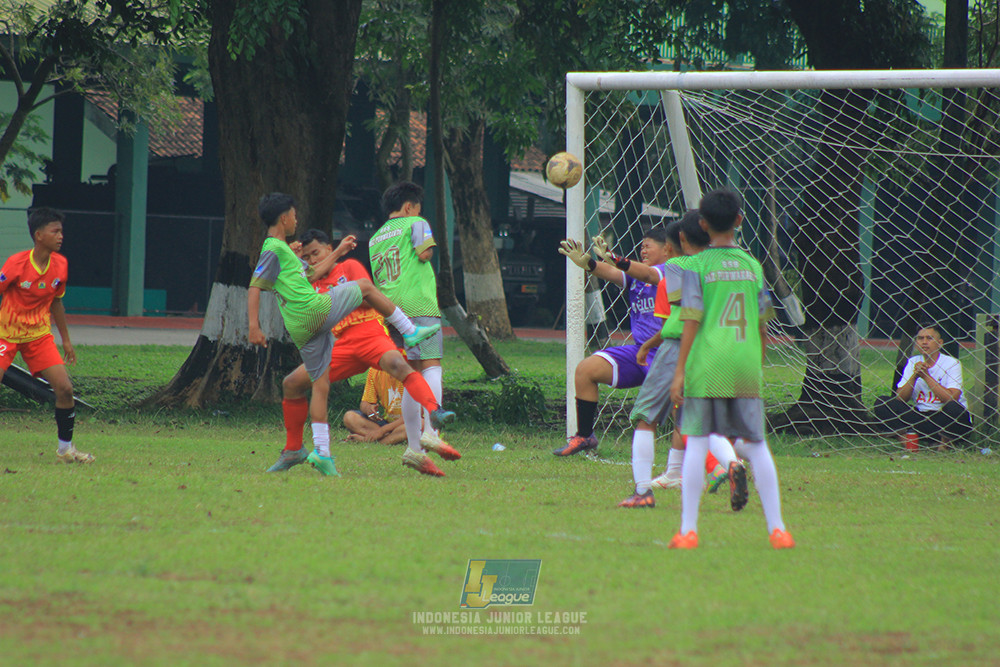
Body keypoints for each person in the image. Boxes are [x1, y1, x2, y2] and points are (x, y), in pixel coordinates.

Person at [248, 193, 448, 477]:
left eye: (316, 253)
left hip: (353, 333)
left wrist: (335, 254)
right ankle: (410, 332)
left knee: (304, 384)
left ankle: (314, 451)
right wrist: (253, 326)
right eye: (293, 214)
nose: (297, 219)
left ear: (327, 250)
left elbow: (310, 274)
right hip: (322, 321)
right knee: (366, 287)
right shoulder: (276, 249)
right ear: (284, 217)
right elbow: (256, 285)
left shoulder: (324, 263)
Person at [668, 188, 795, 550]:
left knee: (696, 444)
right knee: (757, 446)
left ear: (703, 224)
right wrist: (757, 363)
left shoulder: (695, 266)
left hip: (708, 364)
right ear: (740, 220)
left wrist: (679, 372)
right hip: (744, 366)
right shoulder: (753, 266)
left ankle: (688, 531)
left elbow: (690, 319)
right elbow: (762, 325)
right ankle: (778, 530)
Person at [618, 212, 737, 507]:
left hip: (677, 346)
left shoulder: (675, 266)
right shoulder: (724, 266)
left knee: (645, 417)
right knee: (696, 422)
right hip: (712, 347)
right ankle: (733, 466)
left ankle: (643, 492)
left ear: (678, 242)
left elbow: (679, 312)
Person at [555, 226, 671, 456]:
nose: (643, 250)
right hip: (641, 353)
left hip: (671, 354)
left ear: (667, 249)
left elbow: (643, 273)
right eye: (641, 246)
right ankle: (585, 436)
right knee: (586, 370)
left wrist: (618, 260)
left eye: (648, 246)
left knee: (684, 414)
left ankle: (711, 455)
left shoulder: (673, 272)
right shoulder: (637, 276)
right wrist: (588, 264)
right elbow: (611, 273)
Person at [369, 181, 452, 476]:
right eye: (417, 207)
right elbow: (424, 253)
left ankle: (414, 449)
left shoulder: (376, 236)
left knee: (410, 374)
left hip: (390, 310)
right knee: (431, 367)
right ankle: (432, 432)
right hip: (419, 306)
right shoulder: (416, 222)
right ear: (408, 207)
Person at [0, 207, 93, 464]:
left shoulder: (60, 265)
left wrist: (66, 339)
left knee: (64, 389)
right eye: (56, 231)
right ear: (39, 235)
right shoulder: (16, 264)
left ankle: (66, 449)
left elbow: (56, 303)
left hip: (38, 336)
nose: (61, 236)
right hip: (5, 334)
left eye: (61, 231)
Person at [873, 323, 972, 448]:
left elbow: (951, 399)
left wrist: (926, 376)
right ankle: (909, 442)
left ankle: (943, 445)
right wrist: (914, 376)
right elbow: (901, 398)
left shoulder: (952, 363)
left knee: (955, 408)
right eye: (920, 338)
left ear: (940, 343)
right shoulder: (913, 361)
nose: (924, 342)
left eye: (929, 338)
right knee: (883, 403)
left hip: (945, 420)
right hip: (921, 418)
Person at [343, 367, 409, 445]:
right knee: (350, 417)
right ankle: (394, 437)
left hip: (407, 423)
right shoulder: (375, 370)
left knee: (416, 425)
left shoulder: (412, 370)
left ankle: (371, 440)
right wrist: (369, 409)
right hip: (386, 423)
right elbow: (365, 403)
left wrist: (382, 431)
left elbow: (414, 415)